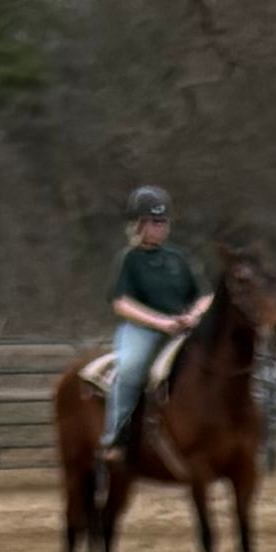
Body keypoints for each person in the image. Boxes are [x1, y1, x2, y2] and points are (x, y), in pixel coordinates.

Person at [98, 187, 207, 465]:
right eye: (154, 222)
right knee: (132, 367)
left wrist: (193, 315)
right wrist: (160, 322)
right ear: (138, 225)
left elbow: (206, 295)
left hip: (183, 326)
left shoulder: (179, 258)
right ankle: (116, 436)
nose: (160, 228)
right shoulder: (128, 259)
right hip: (142, 329)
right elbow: (121, 303)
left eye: (163, 222)